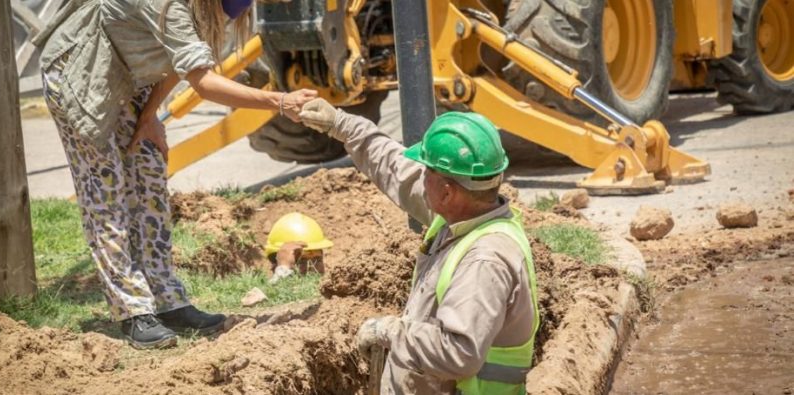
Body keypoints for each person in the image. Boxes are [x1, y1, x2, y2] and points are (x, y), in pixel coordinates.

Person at [32, 0, 318, 350]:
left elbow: (175, 63)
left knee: (149, 178)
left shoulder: (195, 10)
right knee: (107, 193)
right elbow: (202, 81)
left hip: (127, 75)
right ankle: (133, 310)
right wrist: (279, 102)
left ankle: (168, 302)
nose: (224, 22)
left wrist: (150, 114)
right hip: (79, 71)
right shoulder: (169, 4)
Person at [300, 99, 540, 394]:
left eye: (427, 172)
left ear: (448, 192)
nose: (420, 175)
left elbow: (459, 352)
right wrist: (340, 123)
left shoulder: (484, 261)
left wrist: (390, 332)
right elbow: (395, 167)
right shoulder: (462, 213)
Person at [263, 212, 333, 284]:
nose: (312, 269)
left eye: (317, 260)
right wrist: (283, 270)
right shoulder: (261, 293)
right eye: (302, 261)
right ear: (275, 266)